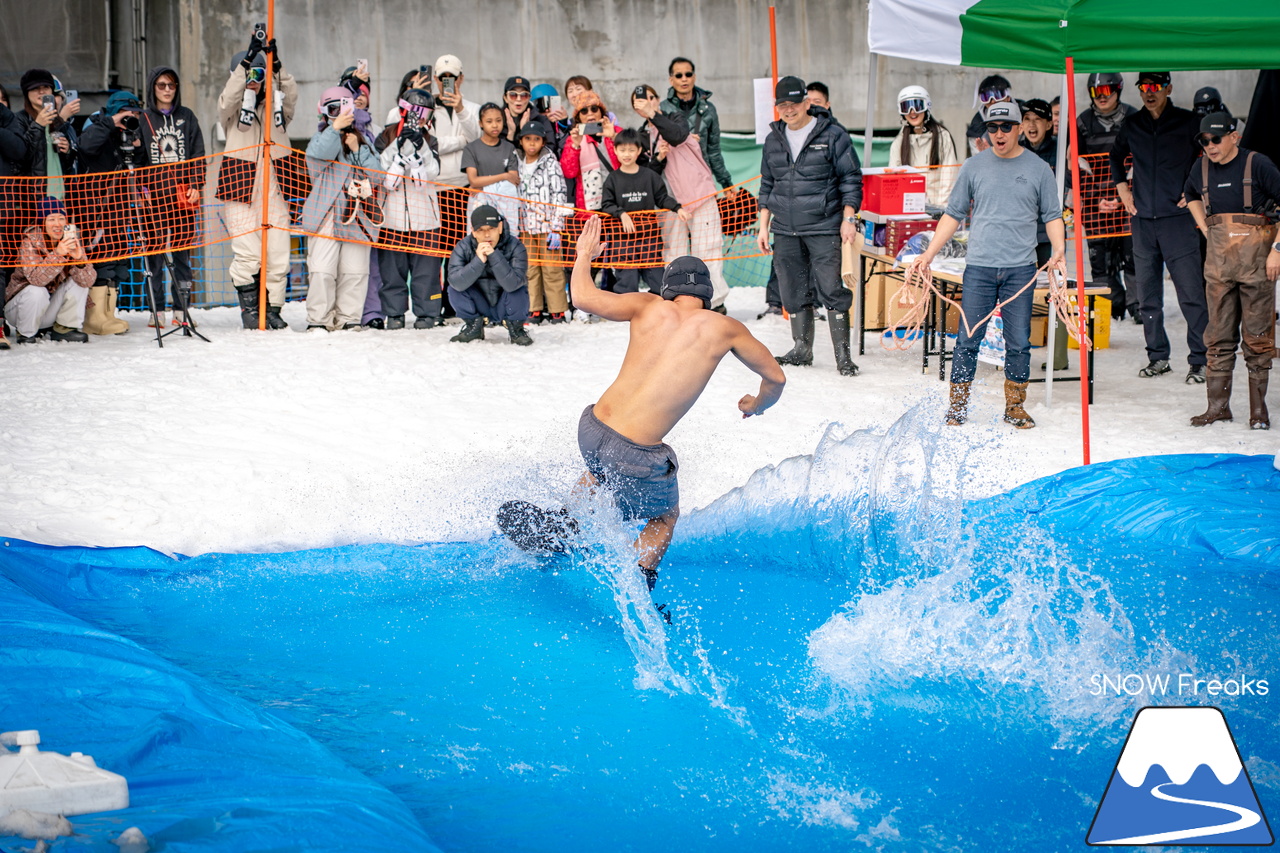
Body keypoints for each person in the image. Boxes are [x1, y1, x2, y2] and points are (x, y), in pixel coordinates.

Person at [567, 215, 785, 588]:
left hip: (591, 429)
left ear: (667, 289)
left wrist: (584, 254)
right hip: (636, 452)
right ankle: (634, 582)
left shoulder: (646, 305)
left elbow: (583, 297)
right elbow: (776, 378)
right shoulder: (724, 327)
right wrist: (756, 405)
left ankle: (564, 521)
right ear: (708, 295)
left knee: (601, 470)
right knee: (665, 516)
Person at [910, 101, 1065, 430]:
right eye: (992, 128)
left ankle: (1015, 406)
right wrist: (928, 254)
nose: (998, 134)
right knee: (968, 338)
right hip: (979, 267)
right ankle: (957, 406)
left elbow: (1053, 216)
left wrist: (1060, 250)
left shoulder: (1038, 169)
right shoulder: (973, 166)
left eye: (1006, 127)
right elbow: (953, 214)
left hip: (1021, 269)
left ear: (1019, 128)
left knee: (1019, 341)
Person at [756, 76, 862, 377]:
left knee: (831, 289)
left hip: (824, 225)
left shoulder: (833, 135)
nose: (788, 111)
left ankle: (843, 356)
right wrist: (764, 226)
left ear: (806, 103)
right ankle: (802, 349)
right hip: (785, 228)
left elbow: (851, 179)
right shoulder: (773, 139)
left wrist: (848, 218)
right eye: (782, 106)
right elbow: (767, 184)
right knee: (791, 288)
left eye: (793, 104)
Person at [1183, 112, 1280, 430]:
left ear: (1234, 136)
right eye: (1204, 140)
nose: (1210, 146)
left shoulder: (1259, 164)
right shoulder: (1201, 168)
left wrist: (1277, 250)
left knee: (1257, 339)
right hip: (1219, 267)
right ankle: (1217, 407)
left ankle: (1258, 412)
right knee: (1217, 338)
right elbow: (1192, 196)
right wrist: (1204, 227)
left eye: (1216, 139)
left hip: (1259, 267)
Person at [1110, 71, 1208, 383]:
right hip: (1142, 222)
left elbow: (1210, 153)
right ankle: (1158, 356)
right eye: (1144, 88)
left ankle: (1201, 360)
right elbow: (1115, 155)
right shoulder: (1133, 124)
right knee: (1148, 295)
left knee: (1191, 293)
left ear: (1168, 88)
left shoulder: (1187, 121)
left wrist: (1196, 189)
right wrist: (1122, 188)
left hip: (1178, 222)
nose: (1149, 93)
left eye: (1155, 87)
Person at [216, 32, 298, 330]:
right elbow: (226, 102)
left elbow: (290, 97)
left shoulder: (276, 111)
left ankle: (273, 308)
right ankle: (251, 310)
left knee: (278, 255)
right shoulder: (232, 112)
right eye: (249, 73)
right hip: (240, 188)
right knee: (247, 255)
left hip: (275, 188)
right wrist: (246, 63)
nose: (254, 78)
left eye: (258, 74)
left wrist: (277, 69)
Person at [631, 84, 729, 311]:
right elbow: (647, 175)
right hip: (669, 202)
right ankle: (678, 301)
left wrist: (653, 115)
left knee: (708, 248)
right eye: (640, 102)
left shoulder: (676, 117)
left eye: (651, 98)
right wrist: (658, 158)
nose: (646, 103)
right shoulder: (641, 136)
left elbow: (677, 136)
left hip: (699, 193)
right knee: (674, 253)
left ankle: (714, 303)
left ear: (658, 100)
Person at [299, 87, 381, 332]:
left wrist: (358, 149)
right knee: (322, 269)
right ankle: (319, 319)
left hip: (357, 215)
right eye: (332, 109)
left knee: (355, 271)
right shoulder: (321, 137)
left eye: (342, 108)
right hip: (325, 212)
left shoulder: (363, 140)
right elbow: (316, 158)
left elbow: (376, 175)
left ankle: (349, 318)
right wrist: (335, 131)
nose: (338, 114)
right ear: (324, 112)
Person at [136, 64, 205, 330]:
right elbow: (137, 160)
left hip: (182, 199)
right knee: (153, 256)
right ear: (153, 87)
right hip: (152, 199)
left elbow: (199, 154)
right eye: (161, 85)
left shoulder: (187, 116)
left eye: (171, 85)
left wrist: (197, 184)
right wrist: (139, 189)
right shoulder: (143, 118)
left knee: (182, 258)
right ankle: (157, 310)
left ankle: (181, 309)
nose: (167, 90)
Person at [77, 91, 149, 334]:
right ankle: (94, 317)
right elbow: (85, 147)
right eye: (128, 115)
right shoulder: (98, 126)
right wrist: (111, 122)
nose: (131, 119)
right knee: (102, 259)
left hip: (120, 208)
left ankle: (108, 314)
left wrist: (138, 147)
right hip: (96, 209)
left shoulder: (125, 135)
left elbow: (138, 168)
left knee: (118, 259)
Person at [377, 87, 444, 330]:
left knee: (426, 271)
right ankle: (394, 313)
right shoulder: (386, 134)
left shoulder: (430, 138)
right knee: (392, 270)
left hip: (424, 217)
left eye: (426, 114)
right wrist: (398, 142)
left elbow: (434, 171)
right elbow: (380, 166)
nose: (421, 119)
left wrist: (421, 146)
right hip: (391, 215)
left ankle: (427, 313)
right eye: (417, 112)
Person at [1077, 72, 1139, 321]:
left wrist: (1127, 195)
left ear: (1118, 90)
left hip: (1130, 202)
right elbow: (1076, 167)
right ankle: (1111, 306)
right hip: (1096, 205)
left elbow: (1143, 161)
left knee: (1134, 257)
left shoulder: (1134, 118)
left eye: (1106, 91)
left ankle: (1139, 307)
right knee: (1100, 261)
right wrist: (1094, 200)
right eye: (1095, 92)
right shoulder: (1081, 122)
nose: (1101, 97)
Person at [601, 127, 689, 295]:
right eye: (623, 150)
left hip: (649, 237)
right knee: (627, 282)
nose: (627, 154)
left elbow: (662, 197)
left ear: (639, 151)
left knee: (658, 281)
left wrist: (678, 209)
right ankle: (627, 314)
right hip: (623, 240)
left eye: (631, 150)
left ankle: (655, 311)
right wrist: (621, 214)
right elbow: (607, 204)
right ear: (615, 151)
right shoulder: (612, 179)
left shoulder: (649, 176)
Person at [4, 197, 95, 343]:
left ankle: (64, 329)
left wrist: (79, 261)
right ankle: (26, 334)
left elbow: (88, 282)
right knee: (36, 291)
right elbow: (36, 280)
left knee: (78, 282)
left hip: (47, 309)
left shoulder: (70, 239)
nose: (58, 224)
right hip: (19, 310)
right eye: (51, 219)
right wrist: (57, 254)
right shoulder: (30, 241)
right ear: (43, 222)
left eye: (61, 218)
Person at [446, 204, 531, 345]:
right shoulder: (463, 247)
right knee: (454, 287)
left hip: (505, 304)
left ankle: (517, 329)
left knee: (519, 288)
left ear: (500, 227)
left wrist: (494, 255)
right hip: (480, 303)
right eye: (480, 230)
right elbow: (456, 282)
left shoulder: (516, 246)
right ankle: (473, 326)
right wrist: (478, 261)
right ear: (473, 231)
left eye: (491, 228)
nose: (486, 235)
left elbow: (513, 283)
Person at [514, 119, 569, 324]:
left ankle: (557, 309)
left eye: (536, 139)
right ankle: (534, 308)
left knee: (552, 268)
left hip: (547, 226)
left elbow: (560, 193)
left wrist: (557, 226)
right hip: (526, 227)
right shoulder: (516, 161)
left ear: (543, 141)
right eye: (528, 139)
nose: (531, 144)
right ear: (521, 141)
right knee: (530, 269)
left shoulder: (550, 162)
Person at [430, 55, 481, 255]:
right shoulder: (427, 108)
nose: (447, 81)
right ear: (435, 79)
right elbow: (432, 144)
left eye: (452, 76)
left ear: (461, 78)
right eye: (443, 77)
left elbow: (476, 139)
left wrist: (460, 109)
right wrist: (461, 141)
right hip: (433, 187)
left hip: (462, 188)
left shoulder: (472, 109)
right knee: (435, 251)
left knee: (459, 251)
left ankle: (453, 288)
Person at [660, 58, 734, 193]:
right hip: (673, 181)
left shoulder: (709, 109)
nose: (684, 79)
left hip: (702, 179)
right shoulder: (662, 109)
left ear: (694, 77)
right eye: (678, 75)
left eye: (688, 74)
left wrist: (726, 183)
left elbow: (714, 151)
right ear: (671, 80)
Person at [888, 85, 960, 207]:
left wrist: (940, 210)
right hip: (909, 210)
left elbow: (949, 178)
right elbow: (894, 178)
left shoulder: (942, 137)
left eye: (917, 105)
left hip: (937, 209)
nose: (912, 112)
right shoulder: (899, 142)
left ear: (927, 107)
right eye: (906, 107)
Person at [560, 90, 618, 214]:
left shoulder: (616, 132)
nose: (590, 113)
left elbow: (628, 162)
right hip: (591, 208)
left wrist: (614, 138)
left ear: (601, 112)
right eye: (584, 111)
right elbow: (569, 173)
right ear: (578, 117)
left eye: (594, 109)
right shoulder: (574, 139)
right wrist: (575, 145)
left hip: (618, 202)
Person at [462, 102, 520, 225]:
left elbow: (513, 180)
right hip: (479, 204)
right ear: (480, 123)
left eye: (498, 121)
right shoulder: (471, 149)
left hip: (506, 207)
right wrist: (504, 176)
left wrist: (484, 187)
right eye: (489, 121)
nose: (494, 125)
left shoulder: (509, 148)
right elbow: (473, 181)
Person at [501, 76, 541, 144]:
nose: (519, 99)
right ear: (505, 98)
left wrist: (525, 131)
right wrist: (511, 133)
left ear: (529, 98)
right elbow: (496, 152)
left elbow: (548, 149)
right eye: (513, 95)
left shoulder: (540, 120)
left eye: (524, 95)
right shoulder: (497, 121)